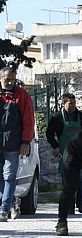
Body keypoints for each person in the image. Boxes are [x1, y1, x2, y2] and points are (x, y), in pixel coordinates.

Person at [0, 67, 35, 222]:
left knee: (9, 176)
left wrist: (25, 141)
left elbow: (29, 120)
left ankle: (3, 210)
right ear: (1, 78)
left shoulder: (22, 95)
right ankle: (13, 201)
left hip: (13, 143)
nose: (10, 82)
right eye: (7, 79)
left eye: (12, 79)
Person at [46, 93, 82, 214]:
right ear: (63, 103)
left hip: (80, 152)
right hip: (65, 153)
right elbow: (49, 133)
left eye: (74, 103)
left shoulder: (81, 117)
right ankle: (70, 206)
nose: (73, 106)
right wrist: (55, 147)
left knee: (80, 179)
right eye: (70, 103)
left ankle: (80, 203)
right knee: (68, 180)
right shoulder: (57, 117)